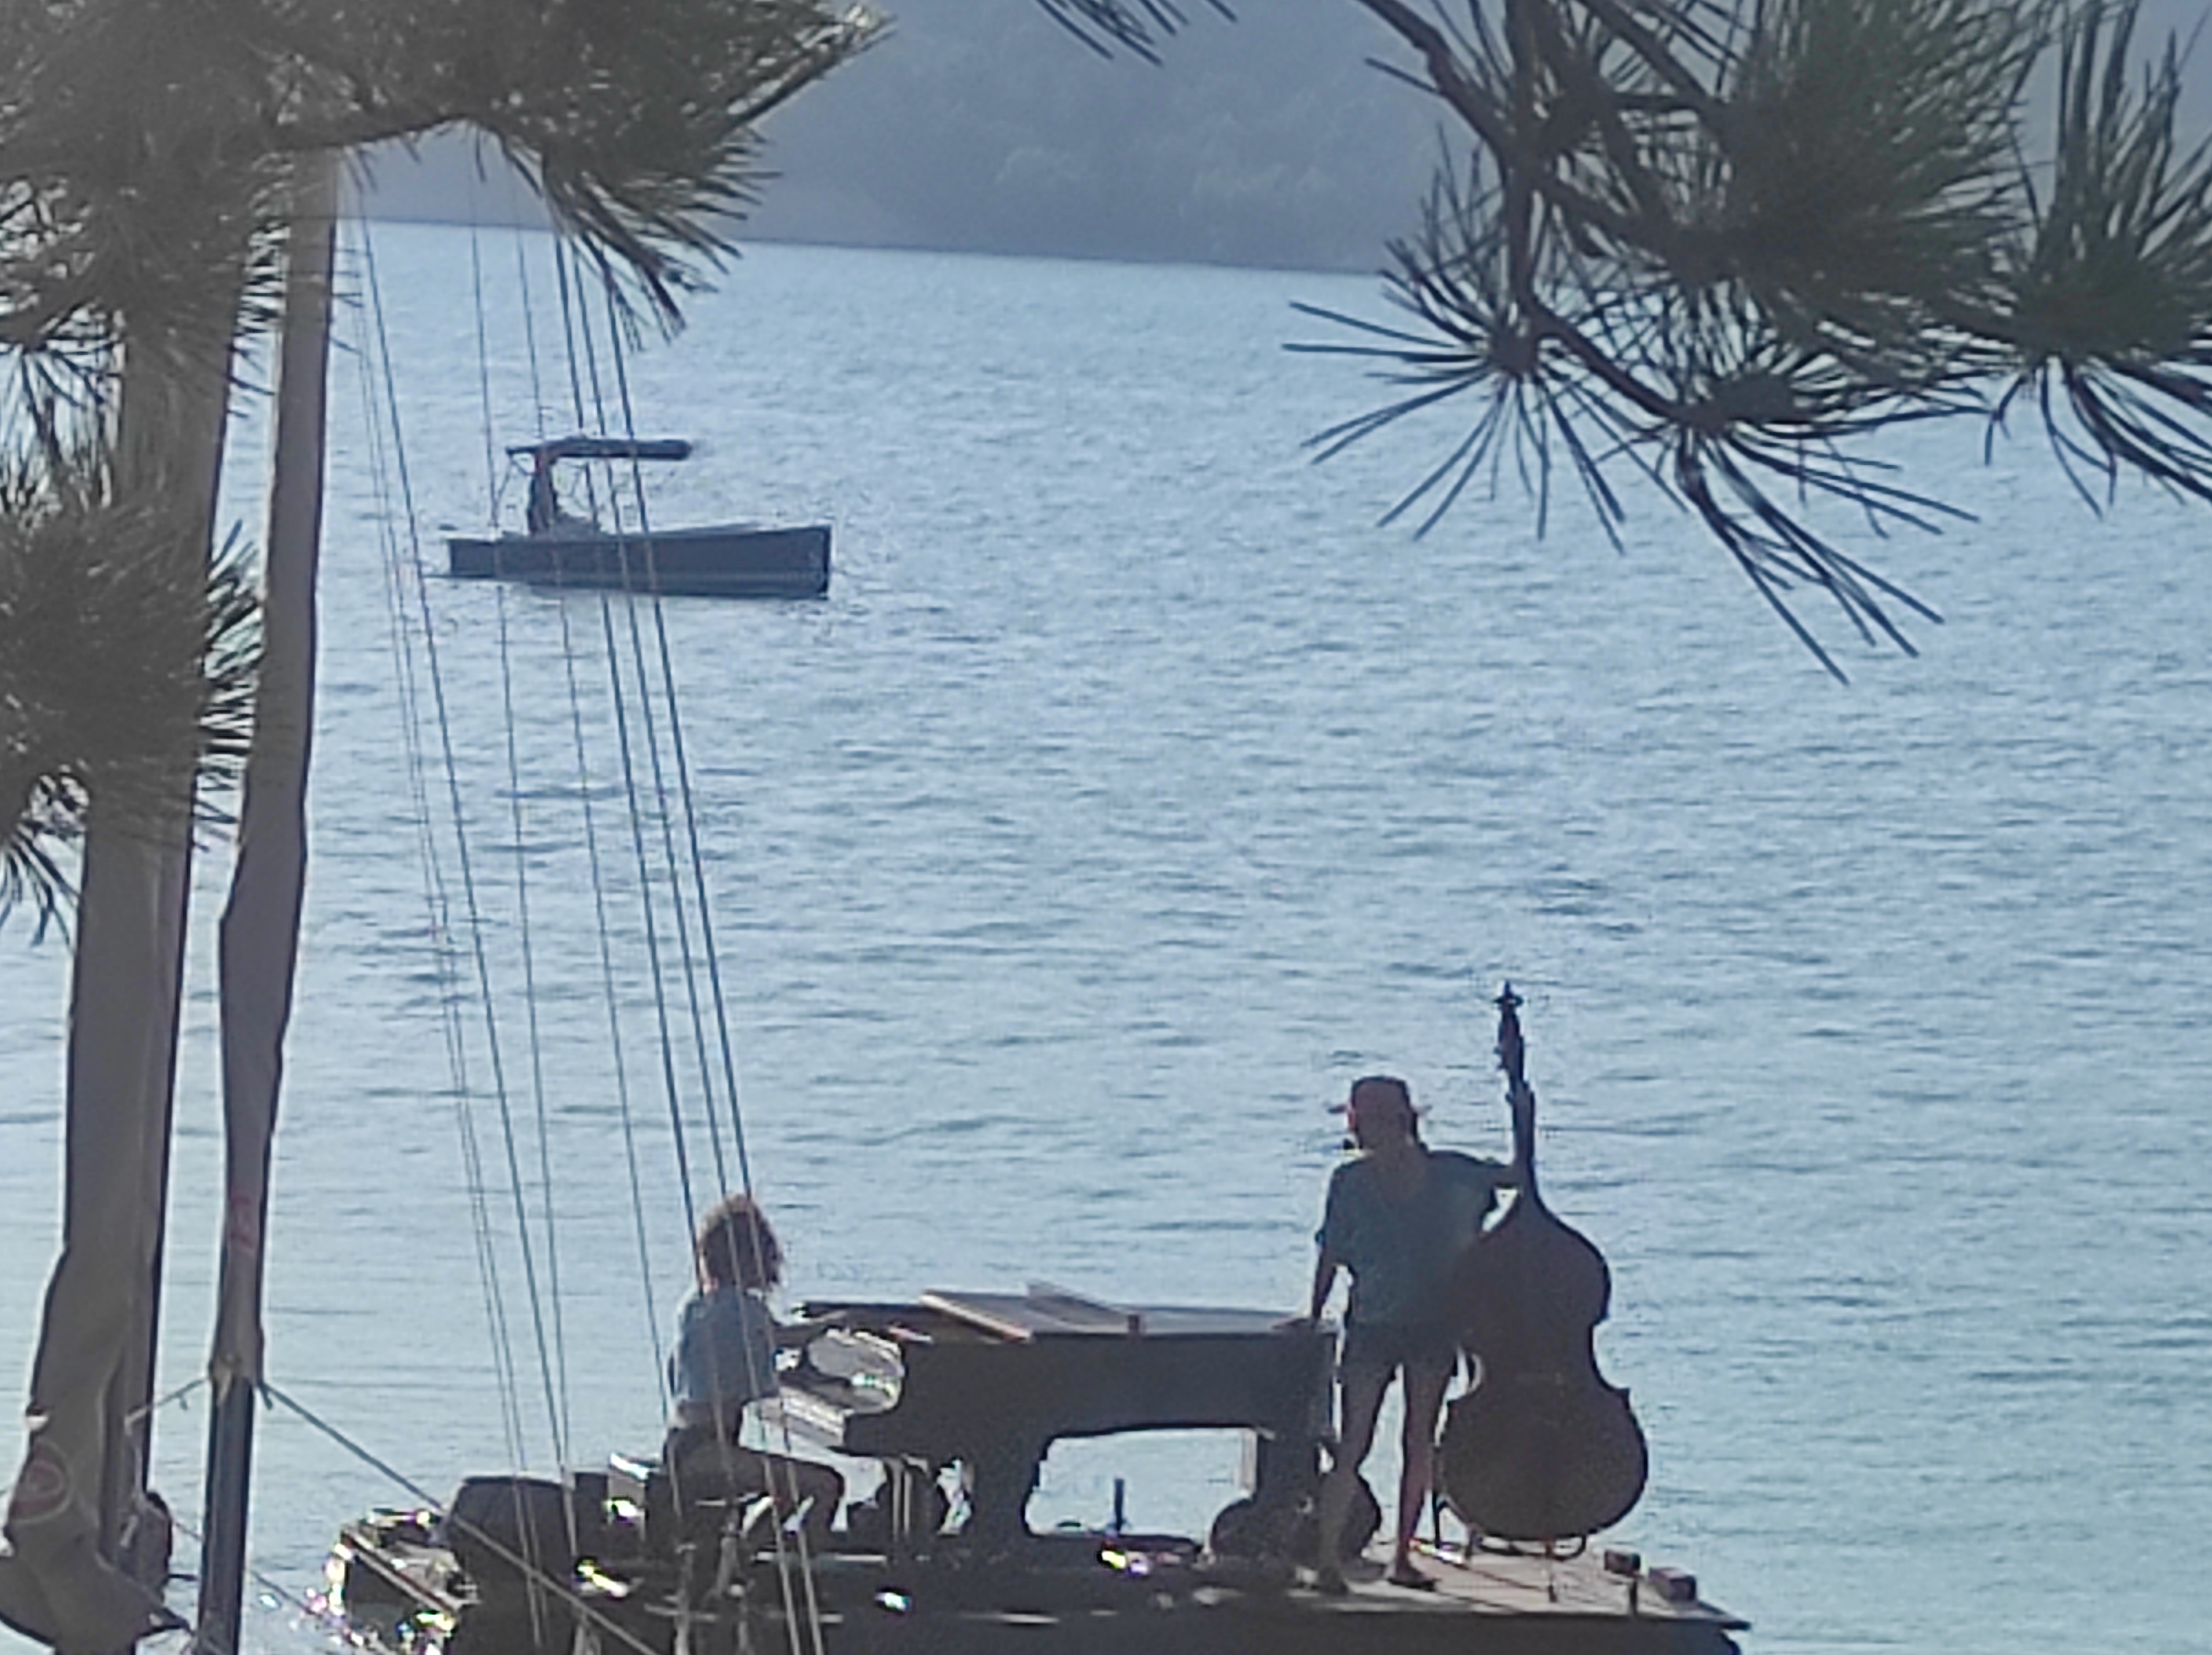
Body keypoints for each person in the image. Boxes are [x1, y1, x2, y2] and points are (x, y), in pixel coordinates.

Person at [1306, 1075, 1508, 1593]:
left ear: (1400, 1121)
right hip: (1371, 1325)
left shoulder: (1453, 1173)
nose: (1358, 1131)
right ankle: (1327, 1559)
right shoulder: (1349, 1182)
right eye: (1357, 1121)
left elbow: (1516, 1178)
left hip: (1434, 1324)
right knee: (1354, 1441)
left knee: (1419, 1441)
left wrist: (1520, 1105)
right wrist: (1313, 1314)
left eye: (1366, 1120)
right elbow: (1331, 1254)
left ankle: (1402, 1555)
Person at [664, 1194, 844, 1548]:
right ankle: (800, 1564)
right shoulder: (745, 1309)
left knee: (788, 1488)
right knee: (827, 1484)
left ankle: (746, 1556)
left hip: (683, 1444)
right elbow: (786, 1339)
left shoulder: (696, 1305)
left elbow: (727, 1372)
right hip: (709, 1453)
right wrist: (835, 1324)